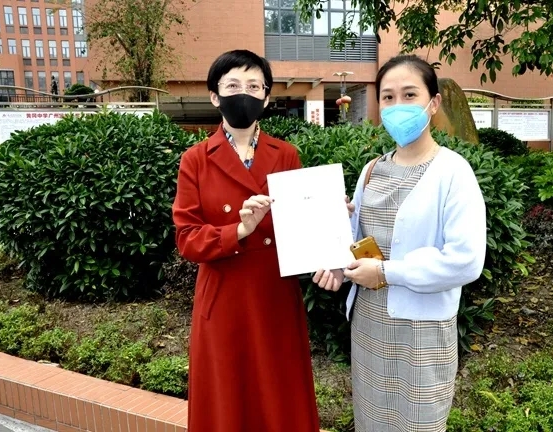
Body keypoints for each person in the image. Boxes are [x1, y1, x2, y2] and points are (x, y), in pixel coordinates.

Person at [313, 54, 487, 432]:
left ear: (433, 103)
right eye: (388, 97)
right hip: (369, 324)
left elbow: (466, 260)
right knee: (372, 420)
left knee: (418, 422)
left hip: (421, 334)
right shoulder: (372, 169)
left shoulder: (453, 172)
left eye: (410, 95)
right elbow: (360, 244)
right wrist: (337, 254)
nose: (397, 105)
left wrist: (386, 272)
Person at [172, 49, 321, 432]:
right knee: (227, 400)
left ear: (267, 97)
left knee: (278, 397)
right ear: (215, 96)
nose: (244, 94)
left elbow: (301, 230)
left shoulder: (285, 154)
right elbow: (187, 239)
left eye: (254, 86)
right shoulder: (195, 160)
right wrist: (238, 231)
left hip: (274, 295)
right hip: (224, 300)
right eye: (233, 85)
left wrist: (328, 217)